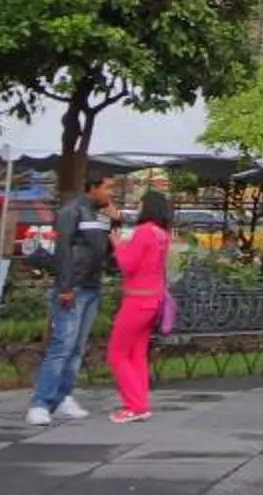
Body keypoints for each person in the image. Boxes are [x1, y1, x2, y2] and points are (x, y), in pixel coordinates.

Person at [28, 175, 116, 428]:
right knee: (62, 345)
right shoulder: (71, 211)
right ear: (92, 187)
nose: (110, 193)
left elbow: (104, 249)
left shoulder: (100, 215)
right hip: (74, 286)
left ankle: (63, 395)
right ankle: (40, 403)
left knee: (77, 346)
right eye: (107, 187)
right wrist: (65, 286)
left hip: (91, 284)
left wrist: (115, 219)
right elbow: (64, 249)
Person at [107, 190, 172, 424]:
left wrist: (117, 245)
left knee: (117, 353)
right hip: (153, 300)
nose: (138, 208)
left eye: (140, 204)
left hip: (136, 300)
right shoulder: (162, 233)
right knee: (137, 354)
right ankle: (140, 403)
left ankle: (134, 405)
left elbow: (128, 264)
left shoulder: (144, 232)